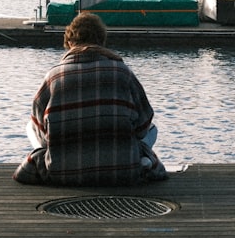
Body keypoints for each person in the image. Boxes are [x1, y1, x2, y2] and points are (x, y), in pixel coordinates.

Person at [13, 12, 168, 186]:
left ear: (70, 43)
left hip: (63, 173)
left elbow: (42, 132)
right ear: (101, 40)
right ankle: (140, 161)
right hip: (121, 171)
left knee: (30, 126)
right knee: (152, 128)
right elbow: (143, 125)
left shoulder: (53, 77)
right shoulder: (123, 72)